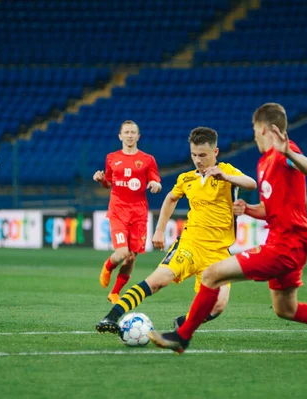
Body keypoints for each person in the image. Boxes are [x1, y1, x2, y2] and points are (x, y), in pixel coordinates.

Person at [148, 103, 307, 359]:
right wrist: (247, 208)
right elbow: (270, 209)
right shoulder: (264, 163)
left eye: (256, 130)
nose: (254, 135)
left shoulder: (284, 155)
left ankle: (182, 337)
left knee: (212, 275)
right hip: (285, 244)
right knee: (286, 309)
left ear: (268, 129)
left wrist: (289, 151)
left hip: (286, 245)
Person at [95, 127, 257, 335]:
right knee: (157, 281)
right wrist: (159, 230)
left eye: (203, 155)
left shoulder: (227, 171)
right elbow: (171, 198)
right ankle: (111, 316)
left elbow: (251, 183)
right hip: (190, 244)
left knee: (218, 306)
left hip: (218, 252)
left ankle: (183, 322)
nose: (198, 160)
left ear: (215, 153)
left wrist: (225, 176)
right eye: (194, 155)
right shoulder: (186, 179)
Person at [93, 120, 161, 304]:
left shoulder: (147, 159)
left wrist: (155, 184)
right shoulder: (112, 158)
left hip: (139, 214)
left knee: (131, 257)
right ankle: (108, 266)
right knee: (122, 253)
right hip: (118, 211)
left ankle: (114, 292)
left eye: (133, 132)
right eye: (127, 132)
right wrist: (101, 180)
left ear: (138, 136)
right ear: (120, 136)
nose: (130, 135)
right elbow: (108, 182)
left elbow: (156, 179)